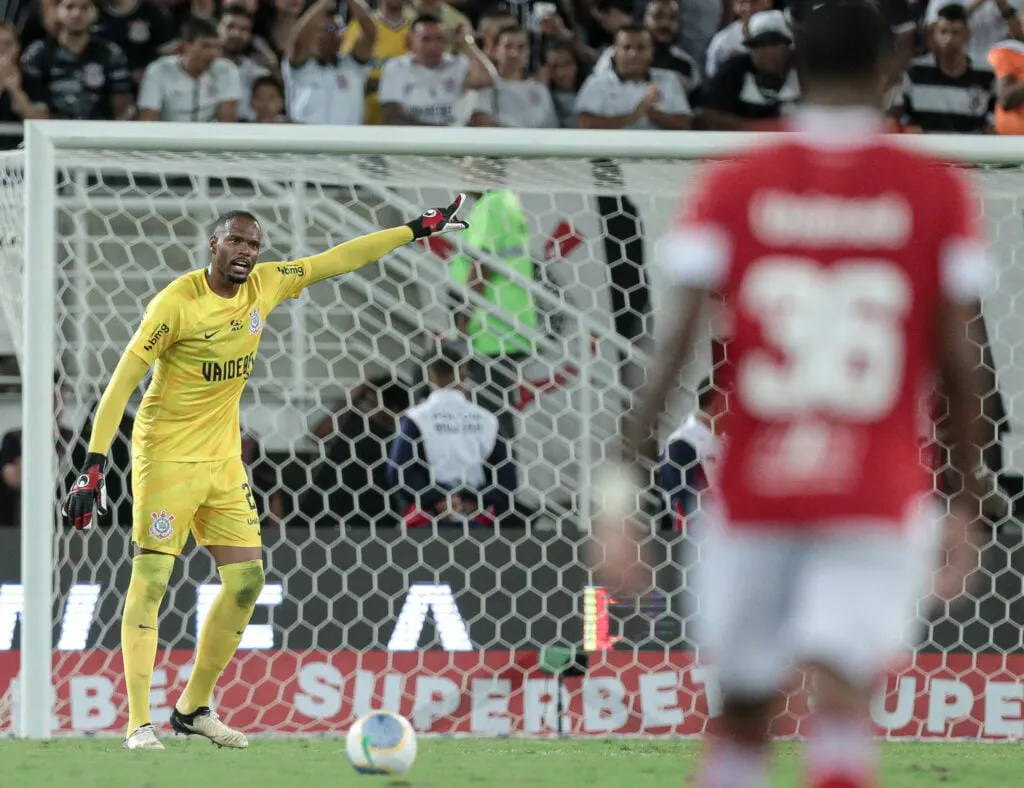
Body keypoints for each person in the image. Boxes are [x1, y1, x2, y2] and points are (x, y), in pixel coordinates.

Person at [594, 3, 988, 787]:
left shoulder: (739, 180)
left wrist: (619, 490)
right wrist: (966, 501)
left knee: (742, 711)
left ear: (796, 71)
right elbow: (961, 364)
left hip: (755, 487)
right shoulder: (932, 190)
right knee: (841, 699)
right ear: (892, 72)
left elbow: (671, 349)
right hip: (878, 488)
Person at [61, 196, 469, 750]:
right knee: (151, 580)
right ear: (214, 244)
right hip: (166, 458)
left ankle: (192, 708)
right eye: (236, 241)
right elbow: (121, 383)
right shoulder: (175, 304)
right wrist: (92, 465)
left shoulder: (267, 285)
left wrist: (414, 230)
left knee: (248, 581)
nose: (246, 252)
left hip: (224, 460)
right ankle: (138, 723)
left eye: (254, 244)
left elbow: (338, 259)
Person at [387, 346, 516, 527]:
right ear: (464, 377)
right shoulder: (488, 420)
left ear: (429, 377)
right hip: (475, 518)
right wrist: (474, 497)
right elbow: (508, 480)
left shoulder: (416, 418)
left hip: (428, 519)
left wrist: (438, 499)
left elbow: (397, 473)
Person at [20, 0, 134, 120]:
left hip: (99, 131)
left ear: (95, 12)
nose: (77, 13)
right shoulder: (38, 53)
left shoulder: (111, 53)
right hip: (50, 130)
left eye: (85, 7)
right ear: (57, 11)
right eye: (69, 7)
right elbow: (33, 103)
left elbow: (120, 103)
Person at [378, 13, 494, 126]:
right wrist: (438, 133)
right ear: (410, 41)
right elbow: (394, 117)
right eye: (426, 40)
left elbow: (485, 81)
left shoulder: (458, 64)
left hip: (455, 139)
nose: (434, 45)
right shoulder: (396, 68)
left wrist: (467, 43)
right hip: (413, 139)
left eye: (440, 39)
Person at [902, 3, 996, 134]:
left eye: (956, 32)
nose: (949, 39)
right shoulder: (915, 71)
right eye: (943, 32)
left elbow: (995, 117)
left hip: (970, 151)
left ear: (967, 35)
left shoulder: (985, 74)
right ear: (934, 34)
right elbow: (898, 116)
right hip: (926, 149)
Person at [701, 10, 801, 131]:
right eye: (760, 45)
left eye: (774, 44)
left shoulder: (804, 72)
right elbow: (709, 114)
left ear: (788, 48)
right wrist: (758, 130)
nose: (768, 53)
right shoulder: (734, 70)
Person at [283, 0, 375, 125]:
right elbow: (299, 40)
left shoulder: (354, 67)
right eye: (327, 28)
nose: (333, 34)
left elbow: (370, 33)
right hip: (306, 141)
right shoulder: (300, 67)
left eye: (338, 29)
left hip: (348, 141)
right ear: (313, 33)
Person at [137, 15, 241, 122]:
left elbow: (227, 122)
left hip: (210, 136)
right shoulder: (158, 70)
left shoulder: (226, 70)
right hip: (169, 136)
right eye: (206, 46)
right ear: (186, 45)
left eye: (217, 47)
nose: (213, 54)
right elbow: (148, 120)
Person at [468, 24, 558, 128]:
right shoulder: (485, 85)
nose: (514, 53)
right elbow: (481, 121)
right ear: (495, 51)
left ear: (528, 52)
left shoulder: (540, 88)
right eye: (508, 46)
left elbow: (551, 127)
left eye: (521, 47)